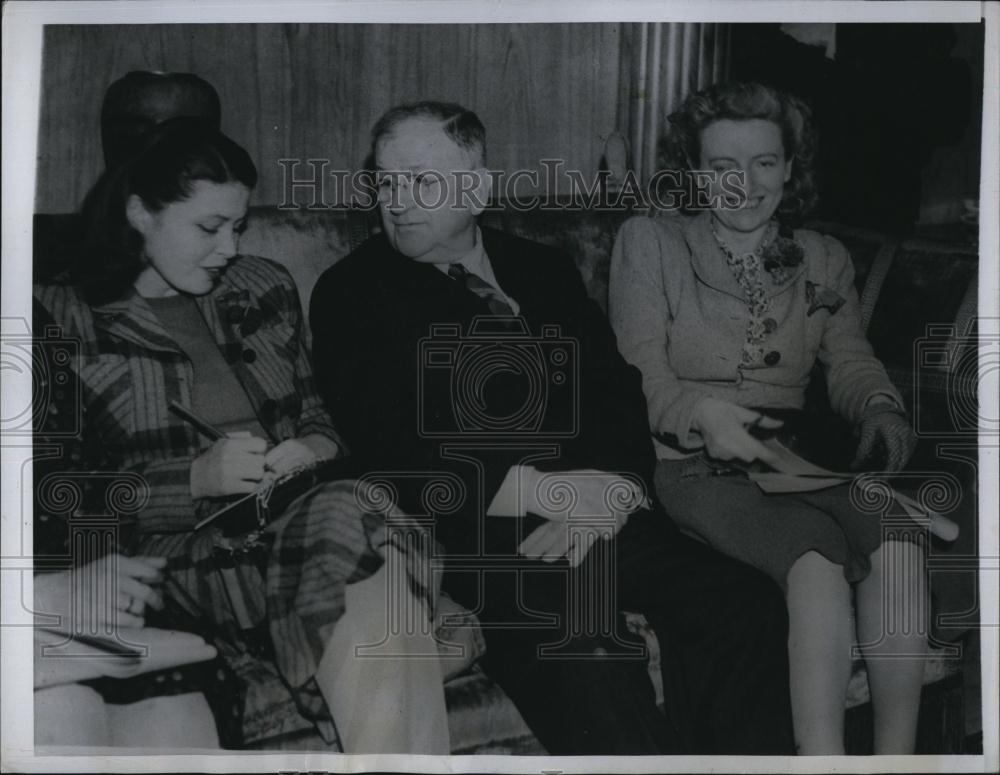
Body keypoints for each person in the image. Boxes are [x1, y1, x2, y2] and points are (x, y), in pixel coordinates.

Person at [309, 100, 796, 755]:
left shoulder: (543, 268)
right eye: (386, 181)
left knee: (744, 604)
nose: (397, 201)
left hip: (603, 515)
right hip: (480, 538)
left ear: (477, 188)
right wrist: (544, 492)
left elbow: (618, 395)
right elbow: (391, 446)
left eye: (422, 181)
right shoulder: (352, 292)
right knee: (584, 645)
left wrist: (618, 493)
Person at [33, 117, 449, 753]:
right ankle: (389, 647)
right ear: (140, 213)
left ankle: (349, 664)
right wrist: (194, 478)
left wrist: (312, 449)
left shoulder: (264, 287)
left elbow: (322, 418)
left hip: (303, 528)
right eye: (208, 227)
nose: (229, 247)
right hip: (180, 562)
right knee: (360, 534)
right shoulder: (60, 318)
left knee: (348, 521)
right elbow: (52, 496)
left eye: (238, 226)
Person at [608, 81, 926, 755]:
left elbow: (850, 361)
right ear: (695, 172)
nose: (744, 184)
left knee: (896, 535)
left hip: (796, 454)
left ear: (790, 167)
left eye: (763, 163)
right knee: (814, 556)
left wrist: (880, 407)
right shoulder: (650, 243)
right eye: (722, 166)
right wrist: (703, 413)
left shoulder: (823, 257)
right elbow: (639, 378)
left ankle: (899, 760)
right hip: (693, 461)